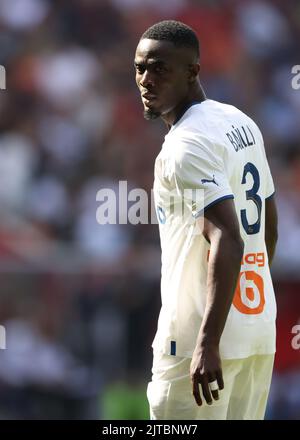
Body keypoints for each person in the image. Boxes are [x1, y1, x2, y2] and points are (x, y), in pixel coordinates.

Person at [134, 20, 278, 420]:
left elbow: (226, 236)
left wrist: (208, 341)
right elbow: (269, 222)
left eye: (160, 68)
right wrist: (252, 300)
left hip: (196, 343)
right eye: (140, 67)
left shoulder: (184, 146)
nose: (146, 80)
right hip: (255, 333)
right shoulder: (240, 122)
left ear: (193, 71)